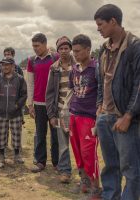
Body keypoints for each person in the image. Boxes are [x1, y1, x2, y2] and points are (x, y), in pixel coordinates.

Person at [94, 4, 140, 200]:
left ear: (113, 21)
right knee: (110, 165)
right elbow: (101, 81)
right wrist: (99, 106)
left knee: (131, 169)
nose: (98, 28)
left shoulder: (135, 47)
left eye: (100, 24)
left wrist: (129, 115)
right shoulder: (104, 50)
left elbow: (139, 85)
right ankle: (110, 196)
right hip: (105, 117)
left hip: (124, 119)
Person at [69, 34, 101, 199]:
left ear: (88, 49)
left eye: (78, 51)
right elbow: (72, 89)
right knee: (77, 151)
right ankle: (84, 182)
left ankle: (96, 188)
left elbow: (102, 93)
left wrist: (98, 115)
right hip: (74, 114)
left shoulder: (96, 68)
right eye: (74, 51)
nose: (75, 54)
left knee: (89, 153)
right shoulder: (74, 68)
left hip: (89, 117)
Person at [27, 33, 59, 172]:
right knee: (40, 133)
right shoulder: (32, 60)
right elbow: (30, 83)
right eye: (33, 46)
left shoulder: (55, 57)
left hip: (54, 103)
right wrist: (30, 104)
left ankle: (57, 162)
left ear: (45, 44)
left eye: (37, 46)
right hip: (39, 103)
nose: (35, 49)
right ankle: (41, 161)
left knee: (56, 135)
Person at [46, 36, 75, 183]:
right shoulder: (54, 68)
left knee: (79, 144)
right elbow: (50, 93)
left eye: (66, 48)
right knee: (62, 144)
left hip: (77, 111)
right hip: (60, 111)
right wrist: (51, 115)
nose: (64, 51)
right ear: (57, 51)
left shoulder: (77, 65)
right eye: (61, 49)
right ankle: (65, 171)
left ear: (70, 49)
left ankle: (85, 174)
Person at [0, 57, 27, 165]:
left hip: (15, 112)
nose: (5, 67)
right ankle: (1, 154)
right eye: (3, 65)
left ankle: (17, 154)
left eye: (7, 65)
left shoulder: (20, 79)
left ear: (13, 66)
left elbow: (24, 95)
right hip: (1, 112)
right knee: (1, 133)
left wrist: (17, 106)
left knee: (16, 133)